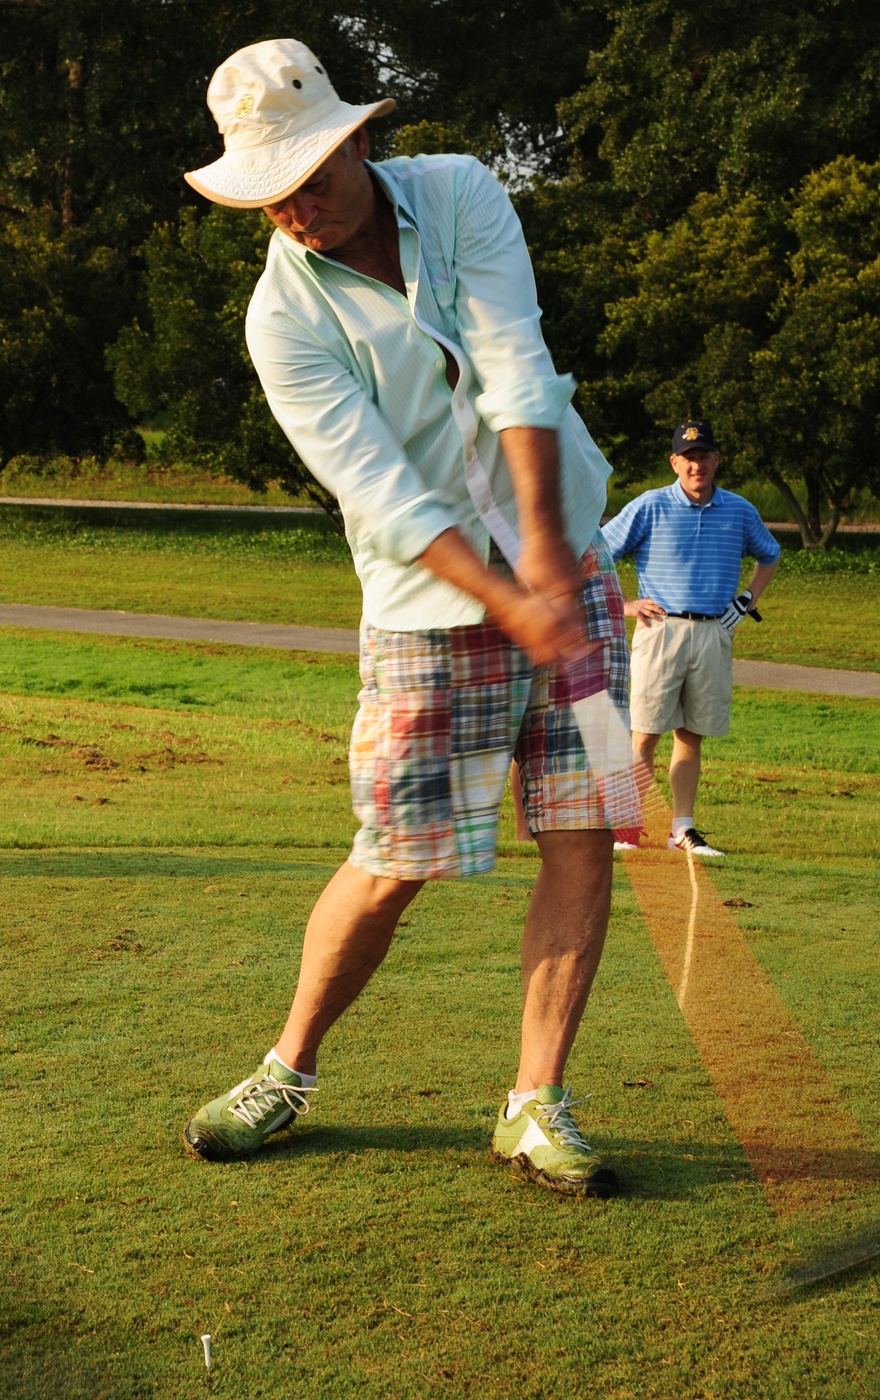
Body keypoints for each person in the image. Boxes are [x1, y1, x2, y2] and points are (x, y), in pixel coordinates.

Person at [180, 38, 640, 1197]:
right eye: (268, 193)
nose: (294, 208)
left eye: (310, 178)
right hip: (430, 610)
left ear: (355, 139)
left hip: (568, 556)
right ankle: (289, 1066)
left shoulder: (460, 190)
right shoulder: (279, 321)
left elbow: (514, 369)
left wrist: (547, 563)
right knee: (395, 858)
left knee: (586, 832)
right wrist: (506, 600)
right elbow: (381, 493)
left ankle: (535, 1100)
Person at [601, 421, 780, 859]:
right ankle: (628, 828)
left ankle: (682, 829)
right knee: (644, 734)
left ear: (716, 460)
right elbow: (597, 554)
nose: (697, 464)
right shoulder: (650, 506)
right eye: (689, 456)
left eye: (704, 456)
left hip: (714, 631)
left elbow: (769, 555)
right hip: (660, 630)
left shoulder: (738, 510)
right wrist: (625, 605)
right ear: (675, 462)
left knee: (691, 734)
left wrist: (745, 601)